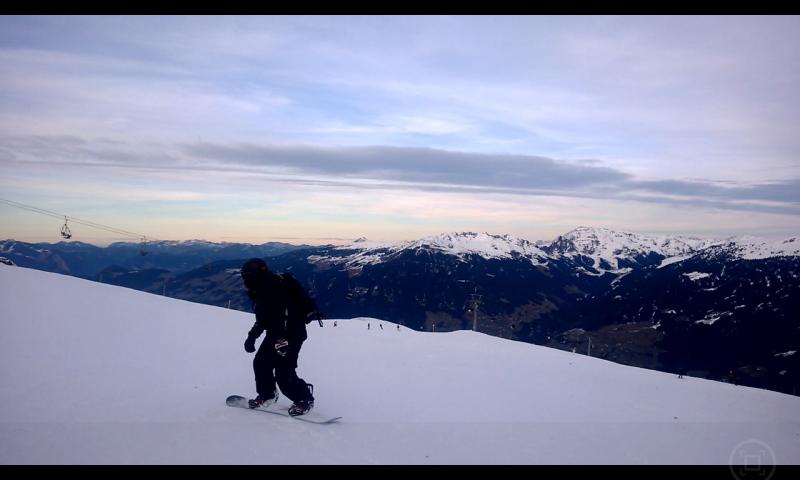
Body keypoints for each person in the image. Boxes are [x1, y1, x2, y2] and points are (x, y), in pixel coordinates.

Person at [240, 258, 319, 416]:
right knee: (261, 363)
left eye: (246, 276)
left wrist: (257, 337)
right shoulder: (260, 290)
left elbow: (280, 315)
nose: (245, 280)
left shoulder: (274, 287)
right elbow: (263, 319)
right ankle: (267, 394)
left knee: (284, 371)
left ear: (254, 275)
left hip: (291, 334)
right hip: (276, 334)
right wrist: (252, 337)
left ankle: (304, 399)